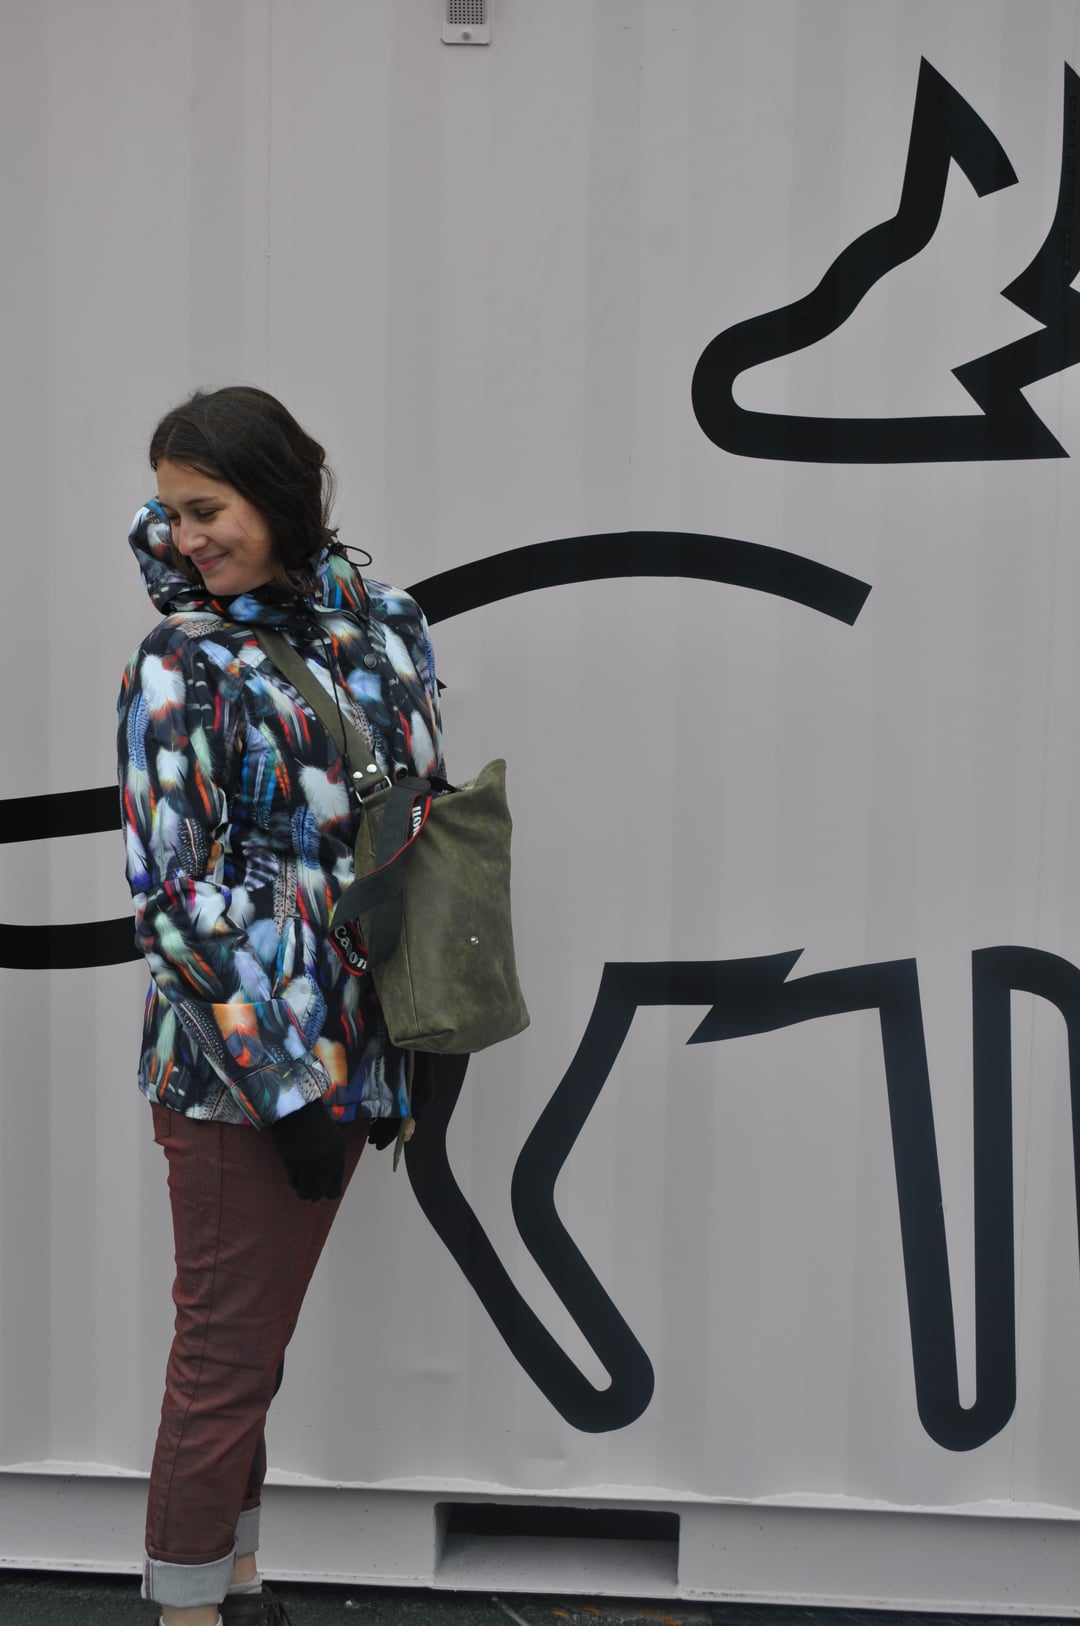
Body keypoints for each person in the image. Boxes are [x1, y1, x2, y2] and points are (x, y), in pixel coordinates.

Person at [117, 387, 445, 1626]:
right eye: (173, 513)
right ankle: (187, 1608)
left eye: (209, 508)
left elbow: (413, 823)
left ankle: (238, 1577)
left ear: (282, 489)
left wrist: (407, 1038)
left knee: (255, 1343)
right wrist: (288, 1085)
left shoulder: (389, 625)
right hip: (235, 1064)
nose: (187, 536)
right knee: (223, 1353)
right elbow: (171, 899)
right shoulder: (179, 662)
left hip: (359, 1038)